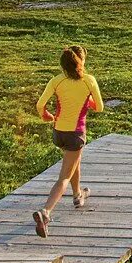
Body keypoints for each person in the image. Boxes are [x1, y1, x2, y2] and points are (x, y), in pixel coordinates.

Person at [33, 44, 104, 237]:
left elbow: (40, 104)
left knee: (73, 162)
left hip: (59, 132)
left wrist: (45, 115)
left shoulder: (56, 81)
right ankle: (46, 212)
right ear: (80, 63)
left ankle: (77, 195)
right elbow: (99, 108)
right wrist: (86, 101)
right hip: (75, 133)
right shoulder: (88, 81)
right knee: (64, 177)